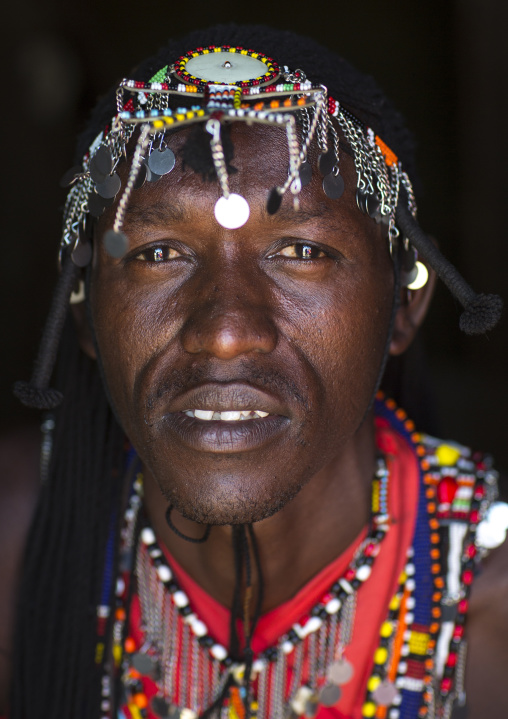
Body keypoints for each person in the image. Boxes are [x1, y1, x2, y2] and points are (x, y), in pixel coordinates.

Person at [2, 23, 508, 719]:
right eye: (157, 254)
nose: (227, 334)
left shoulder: (489, 606)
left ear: (405, 302)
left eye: (301, 249)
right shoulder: (18, 543)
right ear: (86, 309)